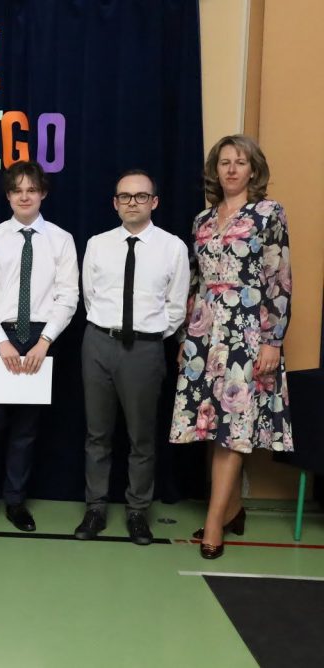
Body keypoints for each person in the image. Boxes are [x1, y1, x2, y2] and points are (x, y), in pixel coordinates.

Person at [169, 135, 293, 559]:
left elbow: (279, 277)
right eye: (225, 162)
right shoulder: (202, 219)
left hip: (248, 330)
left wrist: (273, 340)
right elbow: (195, 282)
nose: (232, 169)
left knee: (234, 427)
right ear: (215, 170)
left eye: (240, 162)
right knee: (211, 424)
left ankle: (213, 525)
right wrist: (186, 338)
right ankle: (233, 509)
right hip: (204, 331)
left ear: (253, 169)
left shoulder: (269, 213)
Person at [74, 170, 188, 545]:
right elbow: (90, 296)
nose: (132, 203)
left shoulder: (172, 247)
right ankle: (95, 507)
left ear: (154, 202)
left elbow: (176, 306)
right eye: (125, 196)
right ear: (115, 203)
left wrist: (148, 335)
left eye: (140, 196)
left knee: (141, 437)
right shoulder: (98, 244)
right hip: (99, 343)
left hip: (144, 348)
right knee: (97, 434)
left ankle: (137, 511)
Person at [0, 161, 79, 532]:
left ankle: (15, 501)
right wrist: (1, 341)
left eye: (32, 190)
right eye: (17, 190)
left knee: (26, 429)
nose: (25, 196)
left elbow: (68, 296)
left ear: (43, 193)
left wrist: (45, 341)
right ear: (8, 195)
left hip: (41, 340)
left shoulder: (61, 240)